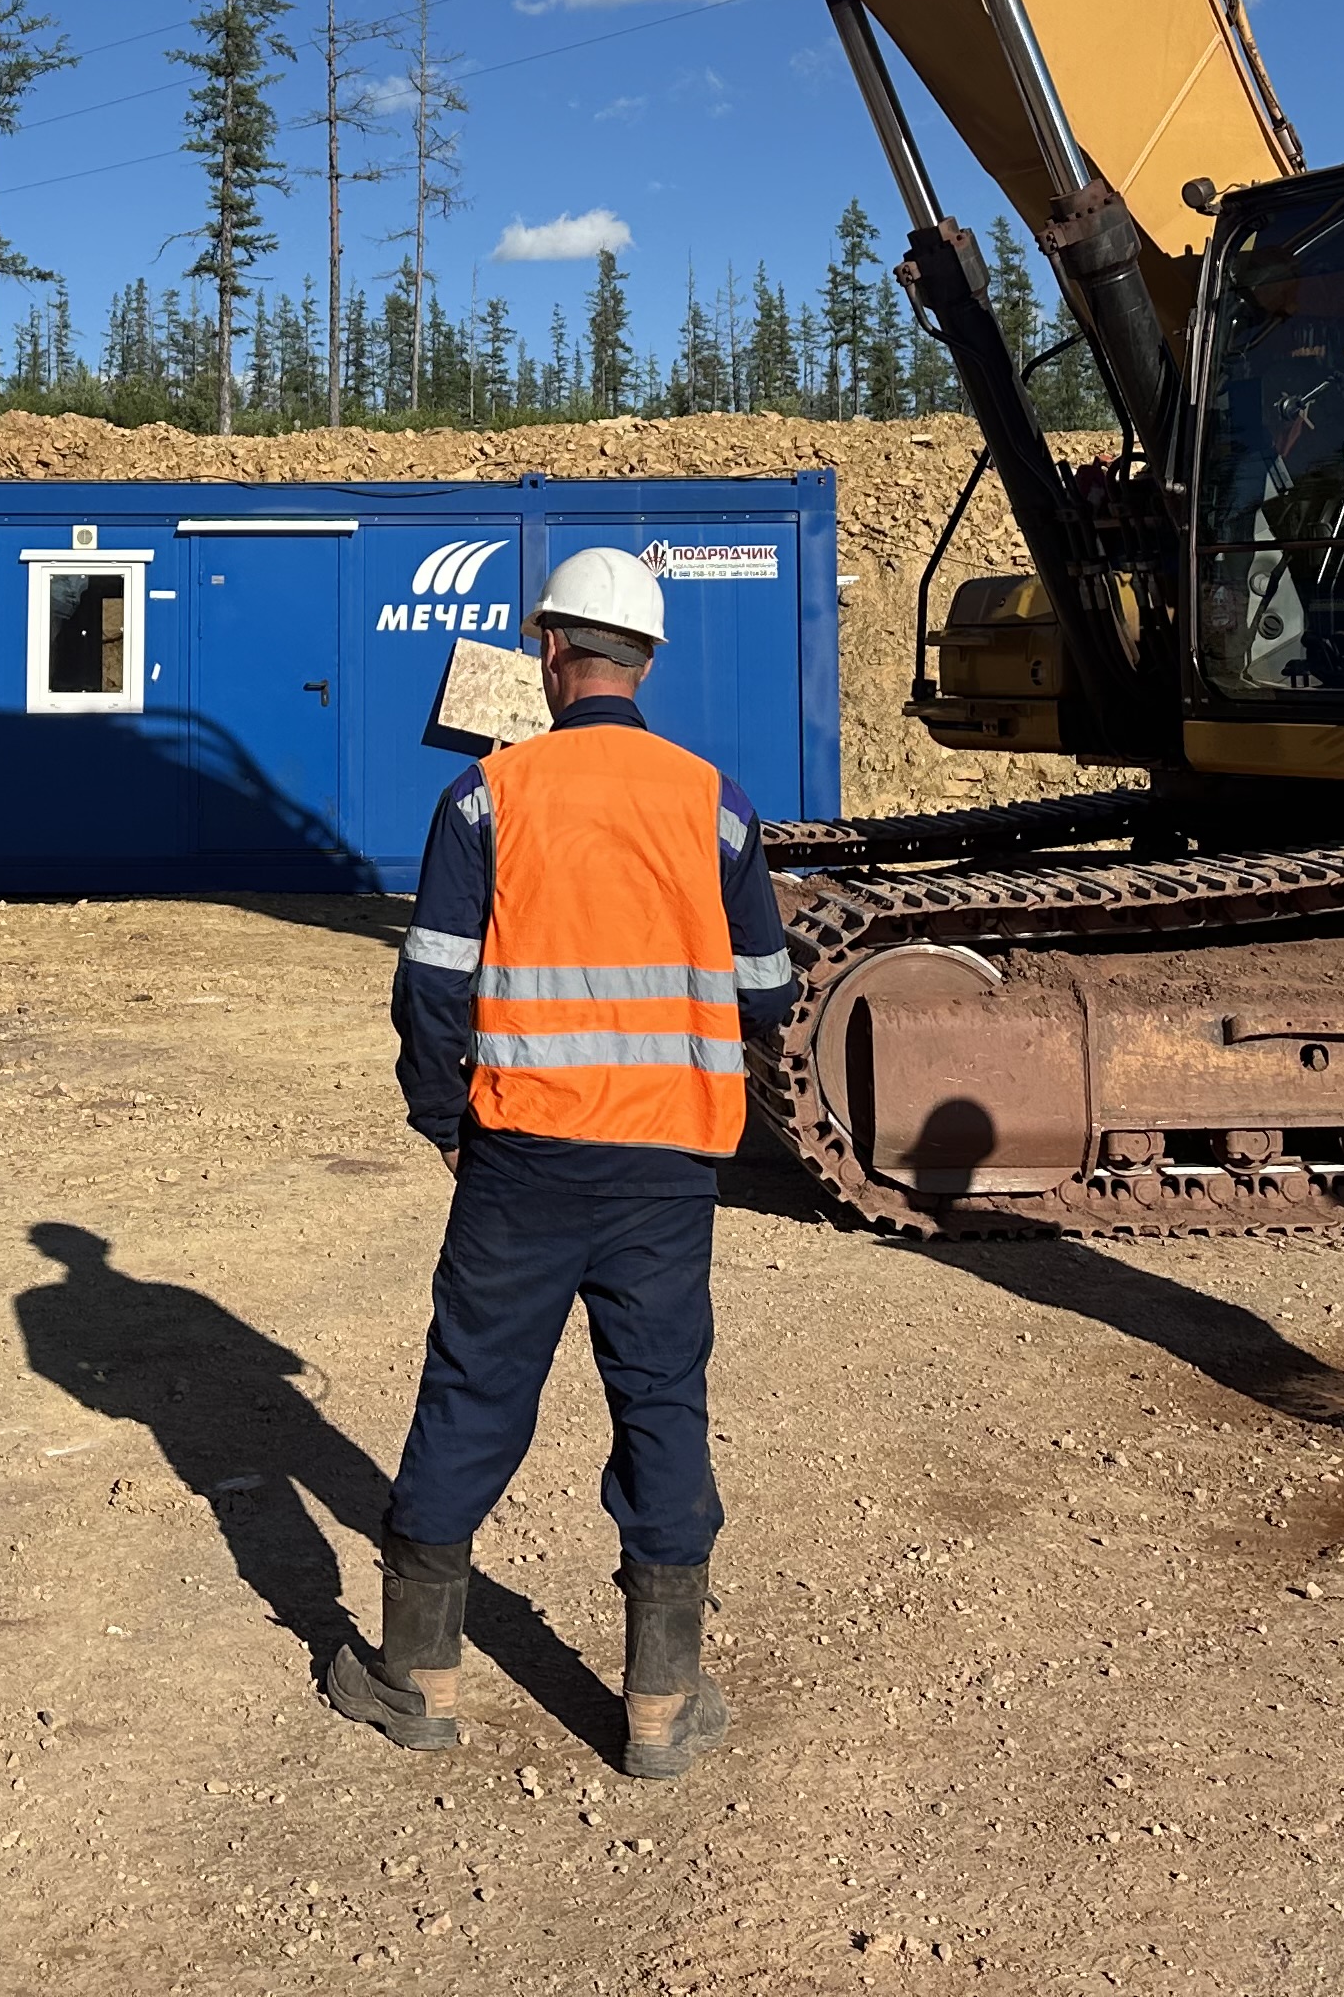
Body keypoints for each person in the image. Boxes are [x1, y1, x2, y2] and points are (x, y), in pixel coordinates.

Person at [328, 547, 794, 1780]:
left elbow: (431, 985)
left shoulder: (488, 796)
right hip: (665, 1164)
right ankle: (660, 1706)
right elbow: (767, 990)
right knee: (660, 1402)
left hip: (523, 1157)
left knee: (473, 1392)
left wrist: (446, 1120)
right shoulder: (716, 804)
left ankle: (418, 1678)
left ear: (549, 652)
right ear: (647, 661)